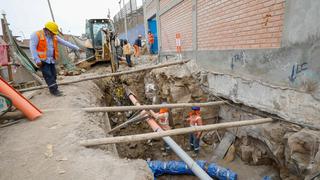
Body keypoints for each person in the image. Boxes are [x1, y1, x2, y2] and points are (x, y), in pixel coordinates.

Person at [30, 21, 80, 96]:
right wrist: (37, 59)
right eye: (52, 32)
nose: (54, 34)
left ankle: (53, 88)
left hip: (51, 60)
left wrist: (76, 48)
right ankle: (54, 91)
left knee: (53, 75)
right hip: (42, 60)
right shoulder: (36, 34)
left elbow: (64, 42)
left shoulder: (53, 36)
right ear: (47, 30)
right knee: (48, 76)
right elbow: (32, 47)